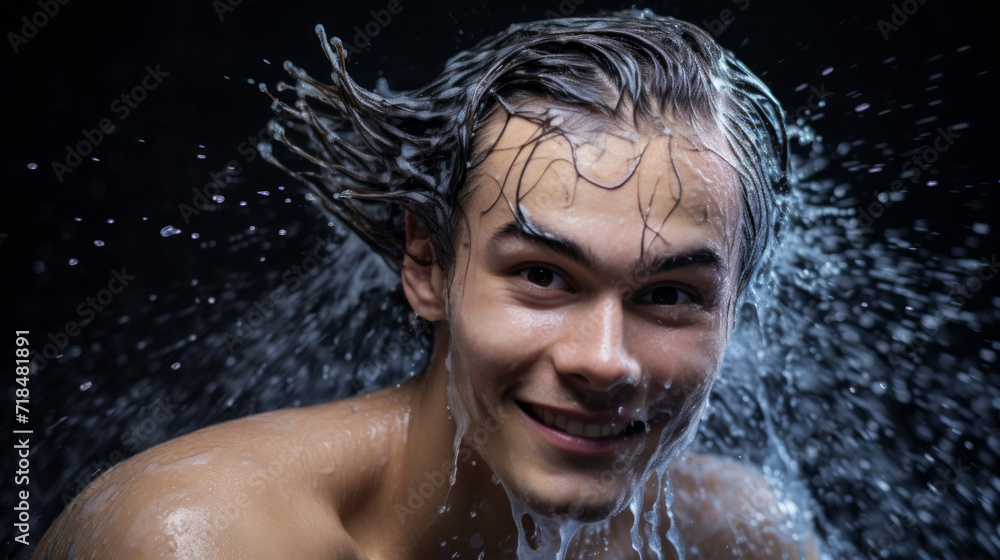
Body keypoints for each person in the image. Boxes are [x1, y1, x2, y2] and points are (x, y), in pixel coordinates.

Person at [34, 10, 819, 559]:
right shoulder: (203, 537)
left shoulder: (738, 536)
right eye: (543, 276)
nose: (606, 362)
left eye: (670, 295)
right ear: (428, 265)